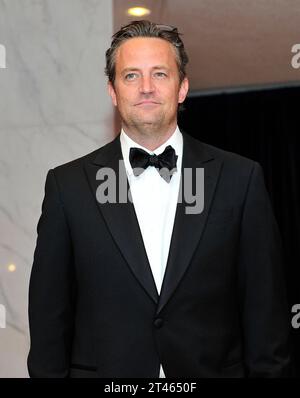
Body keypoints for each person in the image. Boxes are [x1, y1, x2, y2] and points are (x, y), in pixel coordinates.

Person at [28, 20, 291, 378]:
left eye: (160, 74)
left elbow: (266, 319)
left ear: (182, 88)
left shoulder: (240, 180)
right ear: (112, 90)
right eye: (132, 76)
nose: (146, 88)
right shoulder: (67, 187)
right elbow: (48, 324)